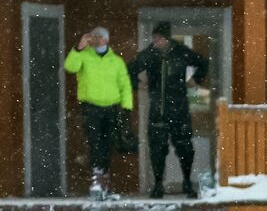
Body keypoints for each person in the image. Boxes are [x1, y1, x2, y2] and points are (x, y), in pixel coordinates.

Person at [128, 21, 208, 198]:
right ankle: (158, 185)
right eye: (153, 38)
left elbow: (203, 62)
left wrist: (196, 80)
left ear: (166, 39)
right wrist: (139, 83)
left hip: (180, 109)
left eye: (158, 38)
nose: (154, 42)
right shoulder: (149, 55)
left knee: (185, 148)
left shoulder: (181, 52)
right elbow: (129, 70)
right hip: (158, 110)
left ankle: (187, 182)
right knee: (157, 149)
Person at [64, 26, 133, 200]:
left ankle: (105, 178)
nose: (96, 40)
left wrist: (126, 108)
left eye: (99, 37)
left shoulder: (116, 61)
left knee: (108, 143)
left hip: (112, 107)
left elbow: (124, 85)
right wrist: (78, 48)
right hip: (91, 107)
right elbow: (70, 67)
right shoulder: (83, 56)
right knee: (94, 141)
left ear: (106, 40)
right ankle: (97, 177)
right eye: (93, 37)